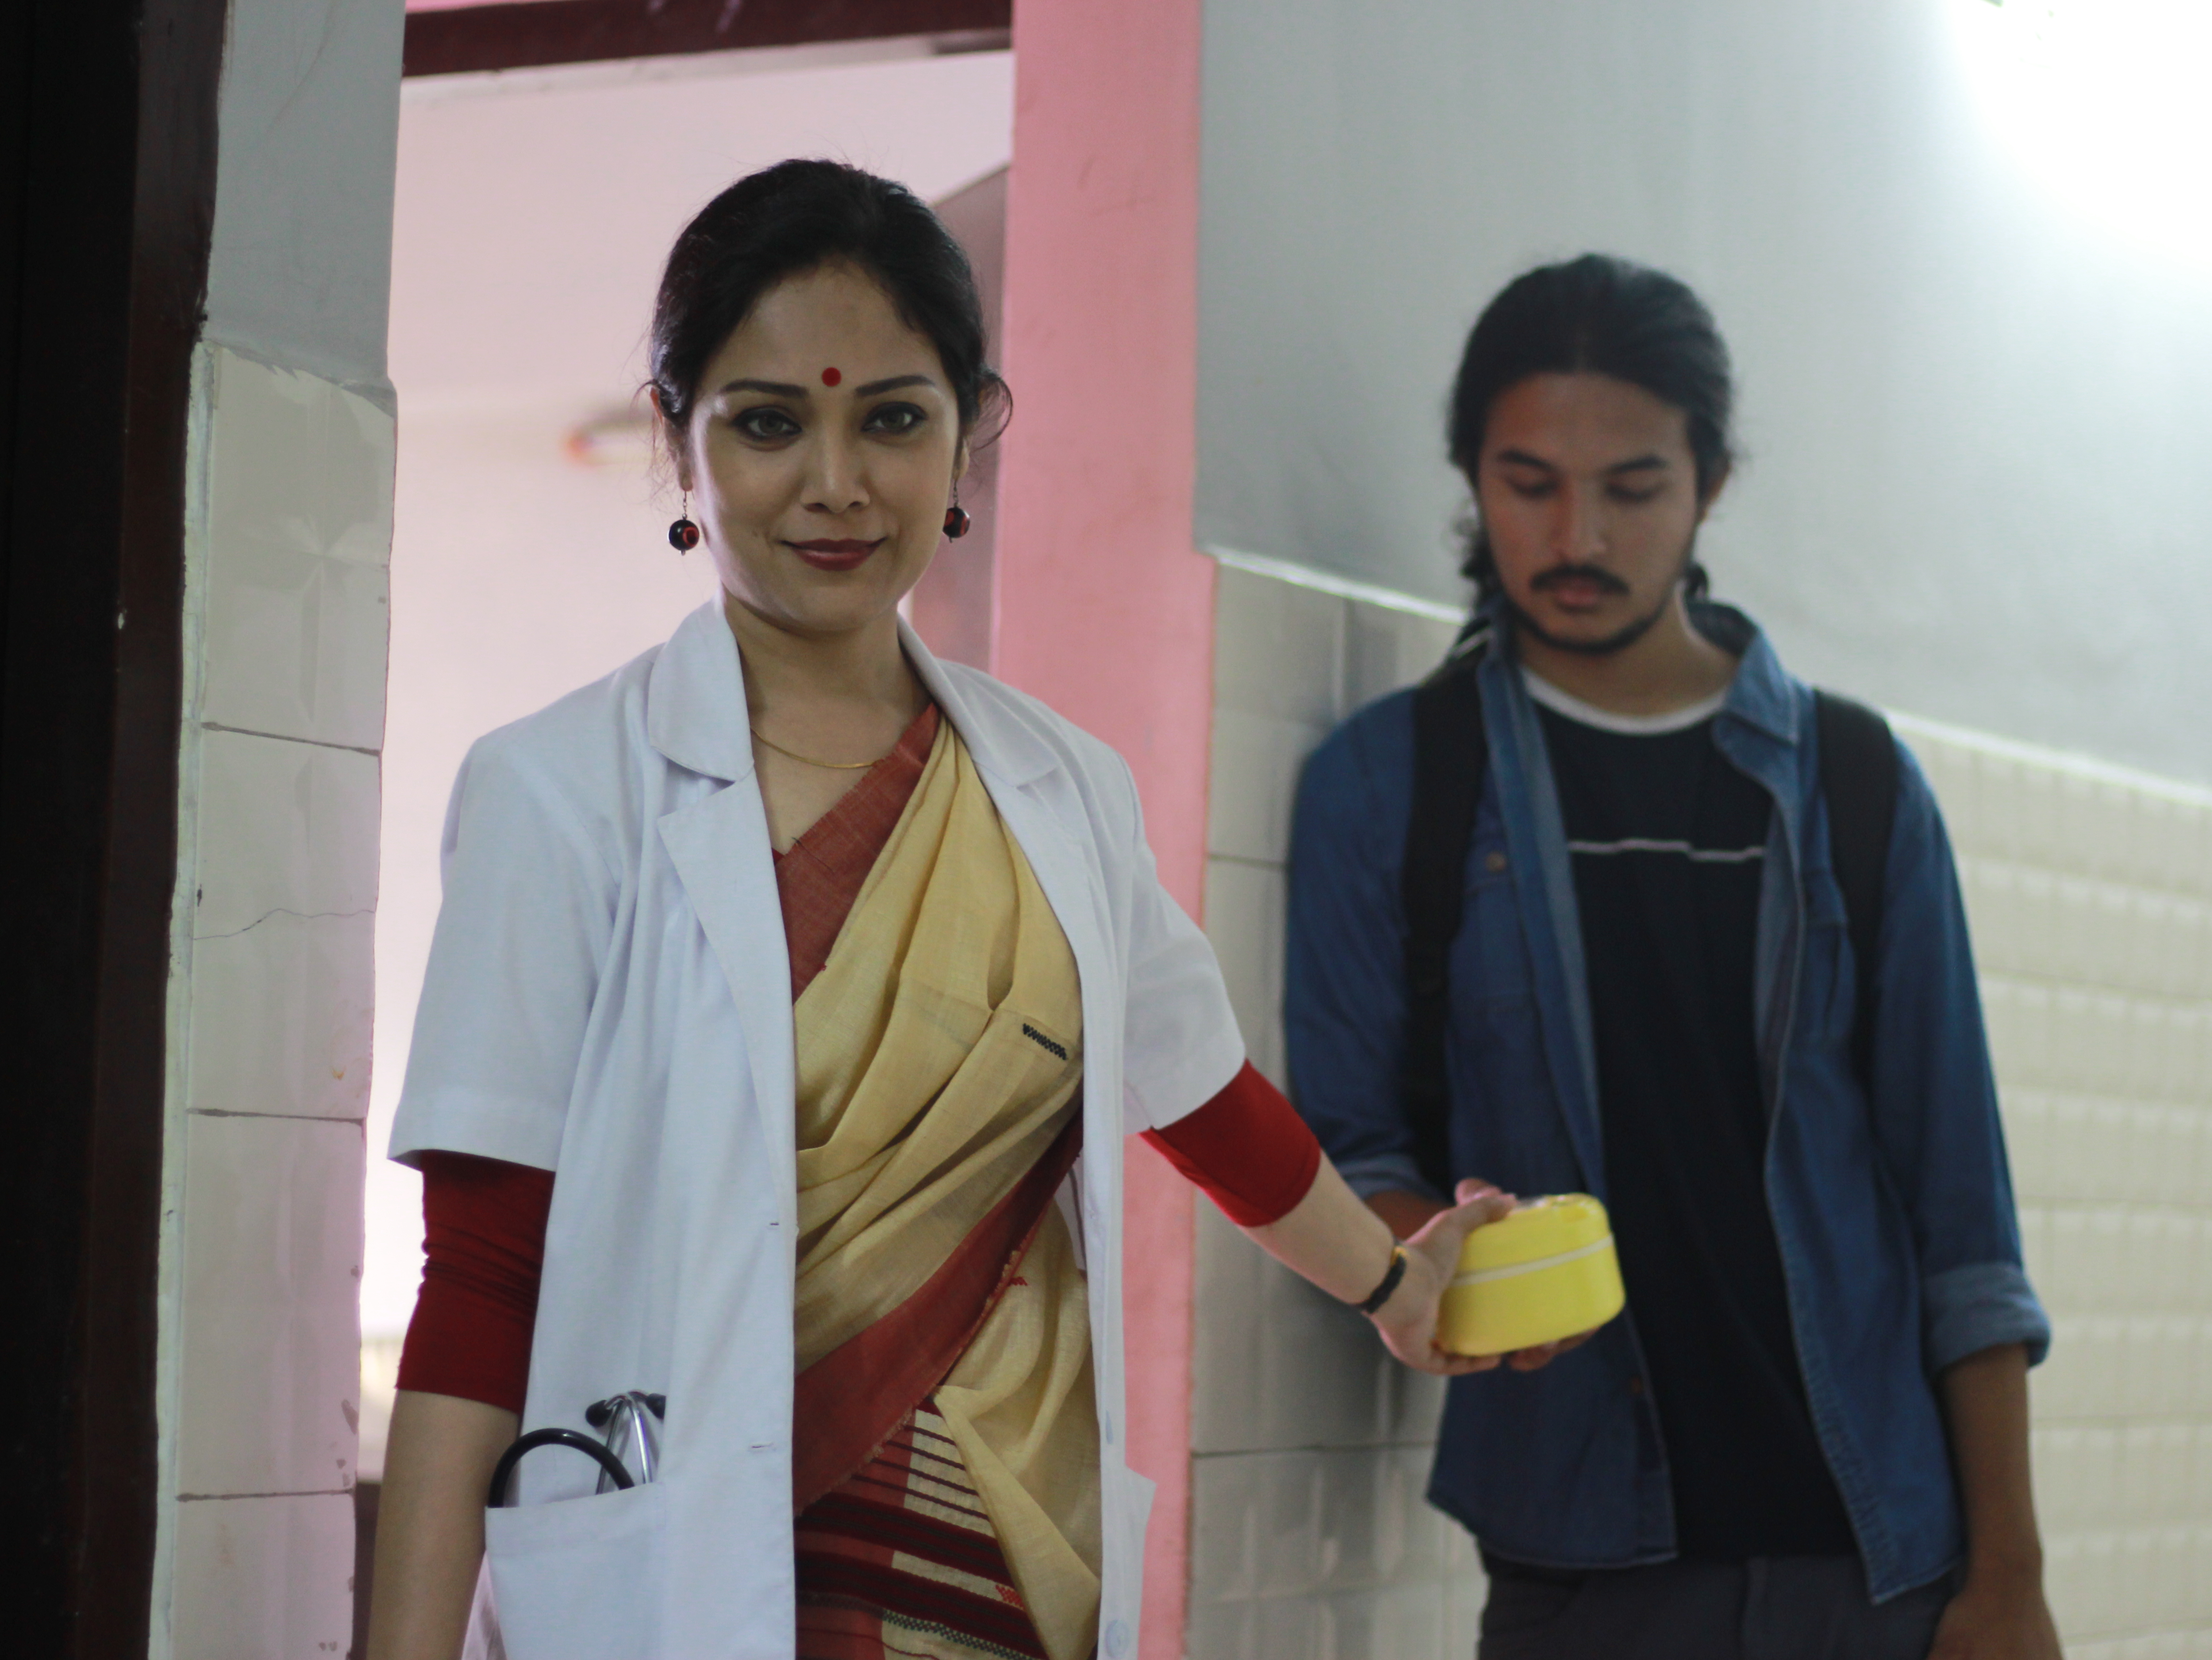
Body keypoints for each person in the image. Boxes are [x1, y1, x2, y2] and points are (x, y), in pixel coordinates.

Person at [366, 160, 1524, 1660]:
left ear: (972, 433)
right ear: (675, 436)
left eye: (894, 420)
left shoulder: (1063, 789)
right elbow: (484, 1278)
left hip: (1008, 1579)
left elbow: (1200, 1093)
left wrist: (1396, 1284)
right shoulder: (563, 792)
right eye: (769, 423)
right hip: (697, 1590)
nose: (836, 483)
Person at [1283, 256, 2061, 1660]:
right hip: (1582, 1566)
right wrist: (1422, 1265)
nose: (1576, 535)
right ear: (1472, 479)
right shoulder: (1390, 785)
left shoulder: (1854, 783)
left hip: (1881, 1560)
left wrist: (2009, 1578)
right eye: (1528, 483)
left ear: (1711, 485)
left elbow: (1961, 1214)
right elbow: (1351, 1148)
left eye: (1633, 488)